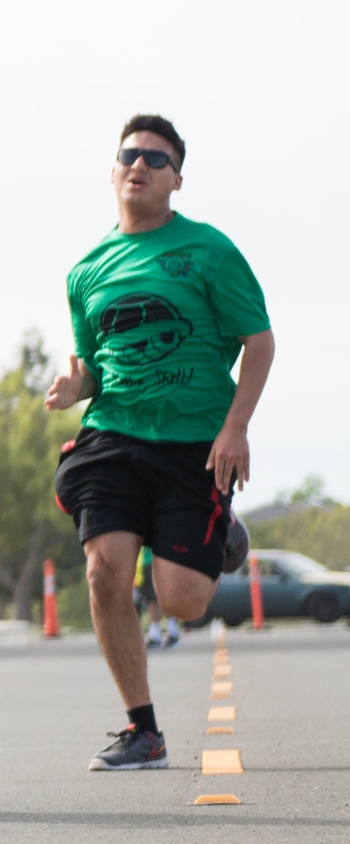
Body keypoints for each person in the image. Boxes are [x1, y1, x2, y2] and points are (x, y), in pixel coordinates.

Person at [46, 113, 274, 771]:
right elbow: (93, 363)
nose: (140, 166)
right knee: (104, 570)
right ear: (114, 172)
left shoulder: (208, 250)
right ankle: (142, 730)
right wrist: (73, 383)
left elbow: (258, 342)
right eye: (129, 156)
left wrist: (236, 427)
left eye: (156, 158)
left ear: (176, 179)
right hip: (113, 435)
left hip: (194, 443)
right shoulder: (87, 269)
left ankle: (213, 531)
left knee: (182, 599)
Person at [134, 546, 180, 649]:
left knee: (153, 599)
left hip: (150, 560)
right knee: (160, 596)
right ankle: (171, 632)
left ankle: (156, 635)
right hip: (157, 559)